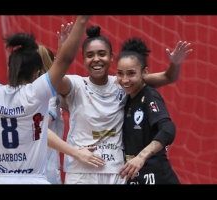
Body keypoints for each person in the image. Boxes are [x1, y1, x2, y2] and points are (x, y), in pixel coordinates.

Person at [0, 15, 105, 184]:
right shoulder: (36, 93)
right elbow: (65, 60)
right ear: (37, 74)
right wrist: (81, 20)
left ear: (10, 68)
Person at [54, 25, 192, 184]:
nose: (96, 59)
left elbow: (168, 77)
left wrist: (175, 63)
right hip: (81, 170)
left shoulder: (123, 83)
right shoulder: (76, 84)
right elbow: (54, 80)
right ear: (83, 59)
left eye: (102, 54)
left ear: (111, 57)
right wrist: (62, 53)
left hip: (116, 171)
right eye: (90, 55)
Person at [117, 37, 191, 184]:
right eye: (120, 73)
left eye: (131, 73)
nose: (125, 79)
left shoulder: (149, 95)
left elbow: (168, 129)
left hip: (157, 176)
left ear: (144, 72)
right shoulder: (125, 98)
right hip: (135, 177)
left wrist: (141, 156)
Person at [37, 44, 69, 184]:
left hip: (45, 173)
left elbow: (40, 127)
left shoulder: (50, 95)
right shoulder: (36, 94)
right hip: (35, 171)